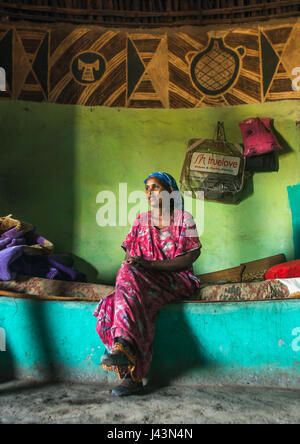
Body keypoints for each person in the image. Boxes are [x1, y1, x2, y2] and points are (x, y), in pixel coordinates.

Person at [93, 172, 202, 396]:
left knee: (129, 293)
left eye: (155, 187)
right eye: (146, 188)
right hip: (143, 282)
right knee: (111, 305)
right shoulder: (140, 221)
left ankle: (127, 362)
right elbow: (130, 262)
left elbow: (189, 258)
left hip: (176, 279)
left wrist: (150, 266)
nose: (149, 192)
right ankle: (128, 371)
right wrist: (136, 269)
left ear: (170, 192)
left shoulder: (184, 218)